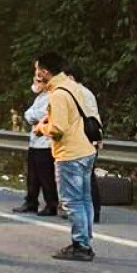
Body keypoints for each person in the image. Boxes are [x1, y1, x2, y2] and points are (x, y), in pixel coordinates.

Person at [34, 53, 98, 261]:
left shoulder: (58, 94)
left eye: (37, 70)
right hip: (86, 149)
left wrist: (41, 128)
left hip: (70, 153)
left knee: (72, 201)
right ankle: (86, 240)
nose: (36, 75)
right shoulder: (72, 86)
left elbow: (58, 128)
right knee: (85, 199)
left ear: (45, 72)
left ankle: (80, 245)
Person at [14, 76, 58, 216]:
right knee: (32, 175)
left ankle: (51, 204)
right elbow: (29, 113)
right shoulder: (40, 97)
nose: (35, 84)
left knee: (45, 176)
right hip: (35, 142)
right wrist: (30, 115)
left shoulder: (51, 96)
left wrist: (31, 115)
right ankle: (31, 201)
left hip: (45, 142)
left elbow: (39, 115)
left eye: (38, 82)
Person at [64, 64, 103, 225]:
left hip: (82, 139)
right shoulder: (87, 92)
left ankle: (86, 213)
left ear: (71, 77)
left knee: (82, 178)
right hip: (92, 136)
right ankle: (92, 212)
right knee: (87, 176)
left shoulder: (75, 92)